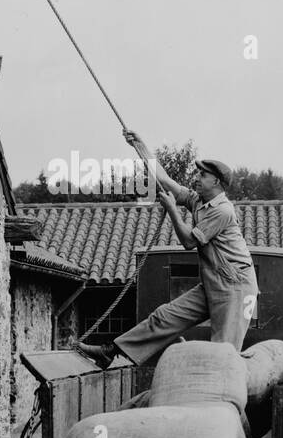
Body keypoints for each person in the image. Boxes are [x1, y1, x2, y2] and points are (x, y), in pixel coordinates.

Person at [73, 129, 258, 369]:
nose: (197, 178)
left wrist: (171, 208)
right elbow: (165, 180)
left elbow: (189, 242)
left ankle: (222, 403)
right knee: (164, 316)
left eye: (203, 175)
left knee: (222, 354)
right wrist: (139, 146)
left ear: (217, 182)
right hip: (214, 283)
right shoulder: (199, 201)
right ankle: (111, 351)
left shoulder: (223, 210)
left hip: (236, 288)